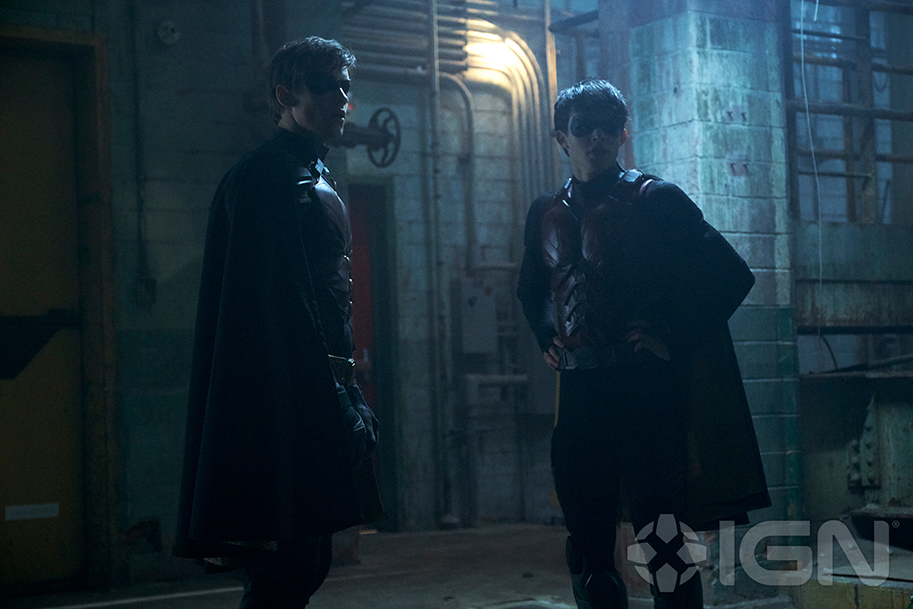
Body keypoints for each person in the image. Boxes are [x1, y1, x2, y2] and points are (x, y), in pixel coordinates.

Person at [517, 79, 771, 609]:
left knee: (664, 543)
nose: (597, 137)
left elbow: (732, 275)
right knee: (588, 550)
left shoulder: (655, 200)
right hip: (581, 393)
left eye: (609, 127)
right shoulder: (544, 210)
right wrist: (545, 336)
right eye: (583, 127)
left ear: (623, 135)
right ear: (561, 137)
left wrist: (671, 337)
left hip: (644, 392)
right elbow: (530, 286)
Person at [174, 37, 382, 608]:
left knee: (305, 561)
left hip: (309, 394)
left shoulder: (306, 173)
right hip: (280, 403)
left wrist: (345, 392)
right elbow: (274, 308)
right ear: (286, 96)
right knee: (286, 568)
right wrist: (336, 398)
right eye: (324, 85)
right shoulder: (265, 179)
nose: (340, 98)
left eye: (345, 86)